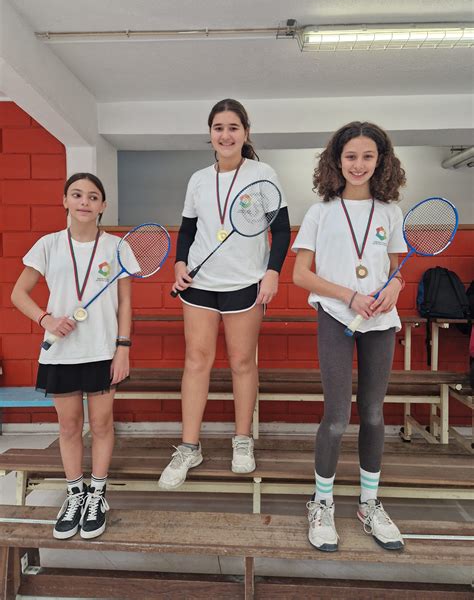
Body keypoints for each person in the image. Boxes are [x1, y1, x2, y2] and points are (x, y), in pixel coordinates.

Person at [158, 99, 291, 490]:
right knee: (196, 361)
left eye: (233, 127)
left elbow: (280, 231)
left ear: (245, 133)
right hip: (200, 284)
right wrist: (180, 264)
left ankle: (242, 440)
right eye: (219, 127)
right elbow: (186, 230)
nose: (226, 134)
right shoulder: (198, 179)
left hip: (246, 283)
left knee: (241, 363)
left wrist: (272, 273)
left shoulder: (263, 174)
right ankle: (188, 447)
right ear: (210, 134)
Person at [292, 122, 407, 552]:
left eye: (368, 157)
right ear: (336, 161)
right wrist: (350, 296)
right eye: (351, 156)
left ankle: (369, 503)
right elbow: (301, 273)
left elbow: (397, 269)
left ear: (381, 161)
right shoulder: (321, 210)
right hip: (336, 317)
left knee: (374, 413)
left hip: (380, 320)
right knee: (337, 417)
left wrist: (392, 289)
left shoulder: (390, 212)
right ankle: (321, 503)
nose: (359, 165)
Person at [11, 173, 132, 540]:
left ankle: (97, 493)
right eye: (77, 195)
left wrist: (123, 348)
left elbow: (126, 301)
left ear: (103, 206)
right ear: (64, 200)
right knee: (67, 427)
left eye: (93, 197)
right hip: (61, 353)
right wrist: (45, 319)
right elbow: (19, 293)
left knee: (101, 425)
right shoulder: (48, 245)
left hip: (101, 351)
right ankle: (75, 493)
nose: (84, 202)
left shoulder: (116, 247)